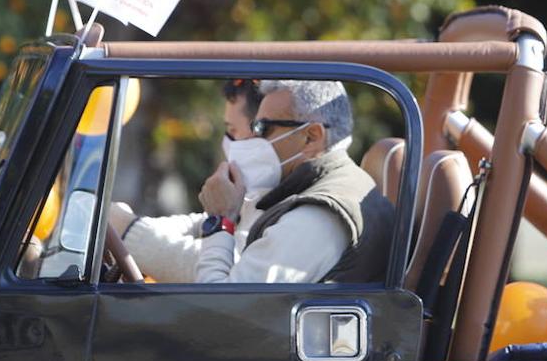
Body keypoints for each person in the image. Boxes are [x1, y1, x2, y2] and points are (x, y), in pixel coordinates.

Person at [112, 79, 394, 284]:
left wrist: (221, 219)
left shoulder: (317, 216)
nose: (252, 140)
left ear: (312, 137)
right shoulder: (303, 190)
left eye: (262, 129)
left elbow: (224, 311)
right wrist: (122, 224)